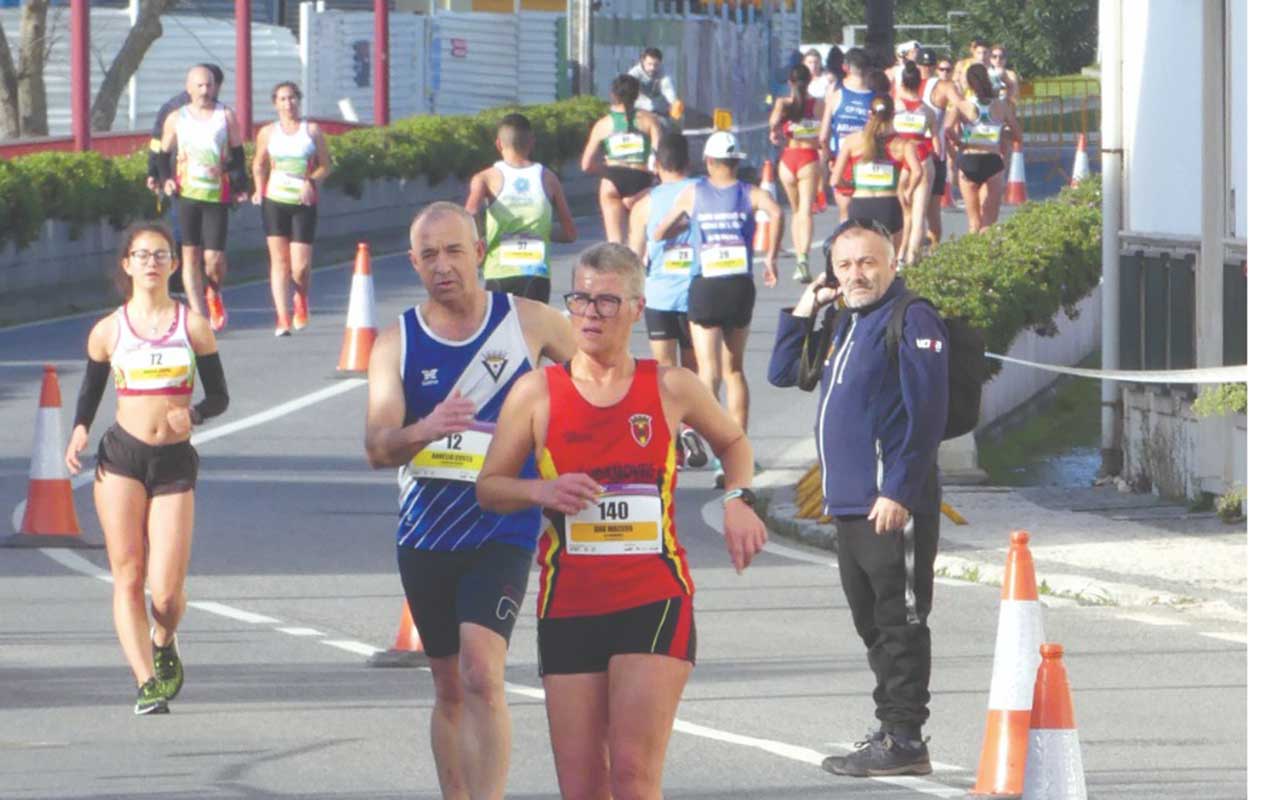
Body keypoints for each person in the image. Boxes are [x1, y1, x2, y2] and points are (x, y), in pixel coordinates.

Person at [475, 241, 768, 800]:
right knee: (582, 786)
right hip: (570, 604)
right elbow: (490, 488)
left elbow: (733, 441)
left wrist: (739, 499)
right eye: (580, 300)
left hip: (653, 599)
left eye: (606, 302)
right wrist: (543, 488)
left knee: (633, 776)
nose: (589, 314)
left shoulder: (670, 385)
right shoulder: (537, 391)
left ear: (637, 308)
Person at [363, 202, 576, 800]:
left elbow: (599, 377)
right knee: (449, 687)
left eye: (454, 250)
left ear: (479, 252)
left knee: (482, 674)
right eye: (429, 255)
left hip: (503, 528)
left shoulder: (530, 322)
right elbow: (377, 446)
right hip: (426, 535)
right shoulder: (395, 342)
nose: (444, 266)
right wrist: (422, 430)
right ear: (413, 263)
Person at [767, 218, 947, 778]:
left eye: (867, 262)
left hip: (888, 503)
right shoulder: (847, 320)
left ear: (892, 262)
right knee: (871, 620)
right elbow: (783, 372)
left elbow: (928, 414)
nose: (856, 274)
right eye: (844, 265)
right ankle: (892, 728)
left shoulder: (910, 317)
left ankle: (904, 738)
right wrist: (808, 306)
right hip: (847, 503)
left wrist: (900, 490)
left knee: (900, 619)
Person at [63, 221, 229, 715]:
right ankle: (145, 681)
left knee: (168, 592)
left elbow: (220, 396)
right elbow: (91, 390)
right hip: (122, 460)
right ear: (127, 265)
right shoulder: (109, 330)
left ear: (174, 264)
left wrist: (193, 414)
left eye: (161, 255)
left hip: (174, 461)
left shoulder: (192, 326)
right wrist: (78, 431)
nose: (151, 263)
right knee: (129, 575)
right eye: (142, 255)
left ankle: (164, 636)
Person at [651, 132, 781, 486]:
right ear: (736, 162)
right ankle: (737, 454)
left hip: (706, 285)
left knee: (707, 372)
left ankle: (701, 437)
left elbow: (661, 231)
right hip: (739, 285)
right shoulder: (749, 193)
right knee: (734, 370)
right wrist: (770, 256)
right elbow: (775, 210)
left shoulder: (693, 193)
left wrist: (682, 225)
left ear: (707, 162)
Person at [627, 133, 709, 469]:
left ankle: (670, 445)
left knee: (663, 373)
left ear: (657, 166)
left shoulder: (645, 204)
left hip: (659, 296)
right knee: (693, 373)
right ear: (688, 164)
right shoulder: (702, 193)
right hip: (696, 293)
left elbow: (633, 257)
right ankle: (691, 426)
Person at [158, 65, 250, 331]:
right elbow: (162, 154)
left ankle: (214, 291)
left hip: (216, 195)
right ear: (188, 88)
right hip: (187, 194)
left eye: (209, 85)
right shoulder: (177, 118)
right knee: (190, 256)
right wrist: (165, 180)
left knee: (213, 260)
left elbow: (238, 156)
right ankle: (199, 317)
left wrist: (232, 177)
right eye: (199, 85)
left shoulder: (225, 115)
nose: (204, 91)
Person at [466, 113, 579, 303]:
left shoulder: (486, 178)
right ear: (532, 142)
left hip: (499, 271)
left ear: (499, 144)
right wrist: (538, 232)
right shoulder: (548, 178)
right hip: (536, 274)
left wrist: (478, 246)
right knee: (532, 332)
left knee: (500, 332)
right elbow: (570, 234)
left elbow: (470, 212)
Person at [251, 81, 332, 337]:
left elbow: (326, 165)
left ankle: (301, 298)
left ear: (299, 101)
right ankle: (282, 317)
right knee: (279, 261)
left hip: (303, 203)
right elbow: (258, 163)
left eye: (293, 98)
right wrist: (258, 189)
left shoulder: (312, 131)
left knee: (300, 267)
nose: (289, 104)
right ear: (275, 104)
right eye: (283, 99)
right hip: (275, 200)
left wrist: (311, 181)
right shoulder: (267, 132)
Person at [831, 94, 922, 248]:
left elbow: (834, 180)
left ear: (869, 114)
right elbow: (918, 171)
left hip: (860, 204)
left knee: (863, 256)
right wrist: (908, 190)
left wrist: (851, 185)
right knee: (888, 260)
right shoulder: (902, 144)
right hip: (889, 205)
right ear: (893, 115)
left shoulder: (852, 141)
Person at [581, 74, 663, 244]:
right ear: (637, 95)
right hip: (642, 180)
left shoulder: (603, 124)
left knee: (615, 243)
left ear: (613, 95)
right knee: (639, 242)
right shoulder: (650, 121)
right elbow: (658, 160)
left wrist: (606, 169)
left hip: (612, 180)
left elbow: (586, 165)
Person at [946, 64, 1022, 233]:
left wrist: (960, 142)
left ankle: (970, 257)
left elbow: (947, 129)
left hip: (969, 160)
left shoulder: (962, 105)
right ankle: (986, 256)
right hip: (992, 160)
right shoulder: (1001, 106)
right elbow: (1018, 135)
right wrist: (1001, 134)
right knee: (988, 223)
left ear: (969, 84)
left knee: (973, 223)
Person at [770, 63, 824, 281]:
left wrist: (778, 128)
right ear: (810, 81)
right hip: (808, 159)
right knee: (805, 211)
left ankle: (799, 260)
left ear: (790, 83)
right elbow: (822, 133)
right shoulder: (818, 104)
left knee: (795, 212)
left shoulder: (783, 103)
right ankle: (803, 259)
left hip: (788, 160)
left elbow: (773, 126)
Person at [819, 48, 876, 223]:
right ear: (868, 70)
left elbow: (823, 136)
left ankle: (844, 248)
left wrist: (829, 157)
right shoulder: (876, 99)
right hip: (868, 158)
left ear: (846, 68)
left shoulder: (837, 96)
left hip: (842, 160)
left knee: (845, 215)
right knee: (869, 216)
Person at [892, 61, 937, 265]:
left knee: (900, 211)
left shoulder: (894, 105)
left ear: (902, 82)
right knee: (918, 213)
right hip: (921, 155)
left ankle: (898, 254)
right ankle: (909, 259)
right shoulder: (927, 110)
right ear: (920, 83)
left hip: (899, 156)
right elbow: (935, 139)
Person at [919, 50, 955, 246]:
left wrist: (950, 124)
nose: (927, 69)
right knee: (913, 209)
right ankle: (909, 254)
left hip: (934, 152)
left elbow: (959, 104)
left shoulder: (942, 86)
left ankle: (933, 252)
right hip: (913, 152)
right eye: (924, 65)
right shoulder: (905, 84)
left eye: (931, 66)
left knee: (932, 210)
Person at [628, 47, 682, 123]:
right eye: (649, 64)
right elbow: (626, 91)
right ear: (643, 61)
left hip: (659, 111)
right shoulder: (634, 73)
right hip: (639, 109)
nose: (652, 68)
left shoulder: (664, 72)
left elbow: (668, 89)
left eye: (656, 65)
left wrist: (674, 103)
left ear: (660, 62)